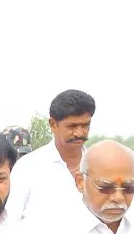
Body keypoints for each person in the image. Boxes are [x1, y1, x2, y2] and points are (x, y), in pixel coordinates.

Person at [11, 89, 95, 222]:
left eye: (85, 125)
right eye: (72, 126)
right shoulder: (27, 168)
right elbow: (10, 221)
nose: (79, 133)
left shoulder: (100, 165)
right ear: (53, 125)